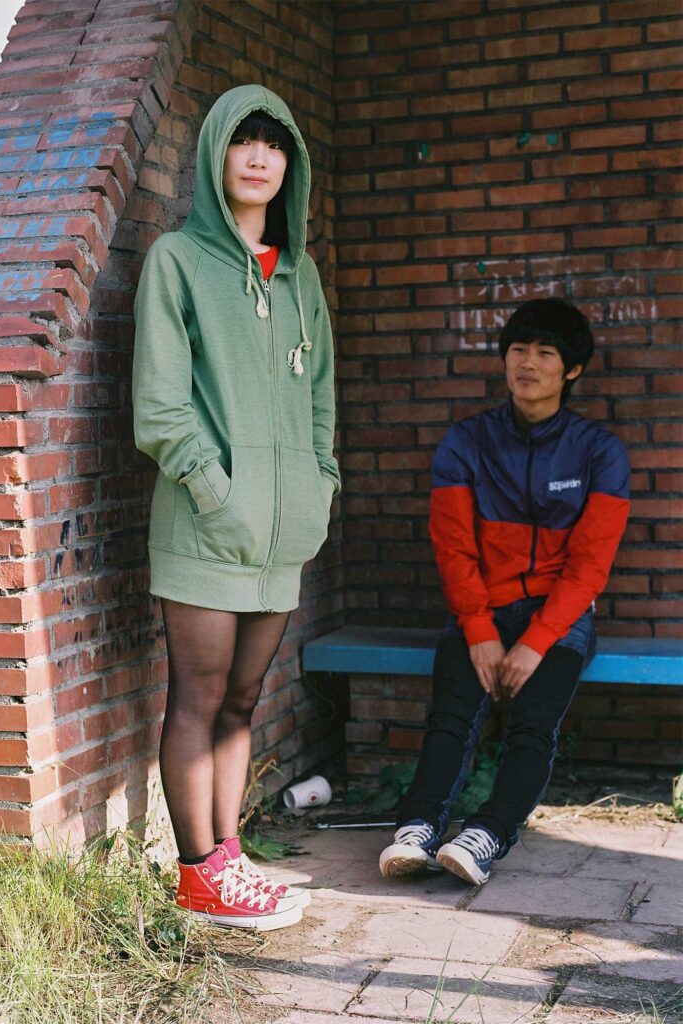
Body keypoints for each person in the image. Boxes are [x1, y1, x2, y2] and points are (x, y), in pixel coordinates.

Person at [132, 84, 339, 930]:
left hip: (281, 535)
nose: (259, 157)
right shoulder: (177, 261)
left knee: (244, 702)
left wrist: (320, 483)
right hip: (205, 525)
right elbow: (159, 404)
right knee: (198, 696)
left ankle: (227, 858)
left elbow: (321, 395)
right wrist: (212, 487)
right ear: (216, 153)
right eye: (243, 142)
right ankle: (196, 875)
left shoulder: (300, 275)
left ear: (291, 166)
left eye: (275, 144)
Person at [379, 298, 630, 886]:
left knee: (533, 726)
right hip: (481, 609)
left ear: (572, 370)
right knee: (452, 714)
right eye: (519, 349)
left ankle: (487, 833)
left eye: (546, 353)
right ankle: (416, 827)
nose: (528, 363)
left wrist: (538, 641)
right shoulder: (466, 442)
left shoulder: (599, 452)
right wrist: (481, 630)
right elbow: (453, 548)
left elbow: (589, 567)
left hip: (560, 618)